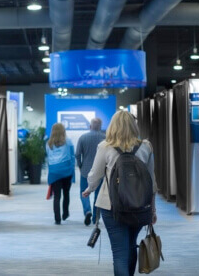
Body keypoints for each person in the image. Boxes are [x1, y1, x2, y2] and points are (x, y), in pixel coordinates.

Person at [82, 111, 158, 276]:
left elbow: (95, 176)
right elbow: (151, 181)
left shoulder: (105, 146)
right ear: (133, 125)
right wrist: (152, 209)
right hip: (139, 206)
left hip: (111, 206)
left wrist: (89, 189)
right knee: (131, 245)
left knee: (119, 252)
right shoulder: (146, 146)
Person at [76, 118, 105, 226]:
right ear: (100, 127)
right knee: (98, 195)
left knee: (84, 192)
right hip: (101, 171)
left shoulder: (83, 138)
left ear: (90, 126)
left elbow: (78, 154)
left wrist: (80, 166)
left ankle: (87, 211)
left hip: (85, 171)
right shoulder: (105, 139)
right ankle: (96, 218)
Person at [46, 123, 75, 225]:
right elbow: (72, 157)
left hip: (54, 172)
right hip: (66, 171)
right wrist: (73, 173)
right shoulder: (68, 142)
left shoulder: (48, 143)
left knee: (57, 196)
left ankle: (57, 219)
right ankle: (65, 213)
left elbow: (48, 159)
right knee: (66, 194)